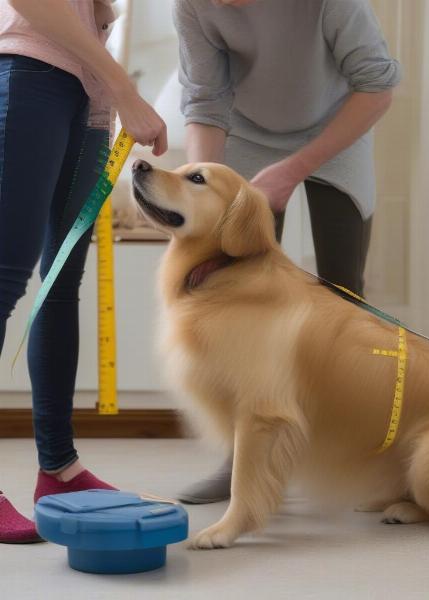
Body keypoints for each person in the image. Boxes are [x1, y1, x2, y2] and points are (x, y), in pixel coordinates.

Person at [173, 0, 400, 504]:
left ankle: (353, 455)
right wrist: (201, 197)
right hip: (247, 133)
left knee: (344, 298)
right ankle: (244, 461)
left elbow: (377, 86)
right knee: (235, 295)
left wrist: (295, 167)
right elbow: (207, 102)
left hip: (338, 129)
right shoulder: (191, 5)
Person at [0, 0, 167, 543]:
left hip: (86, 96)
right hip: (29, 71)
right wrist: (125, 87)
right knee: (5, 278)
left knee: (59, 285)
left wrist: (108, 85)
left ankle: (59, 469)